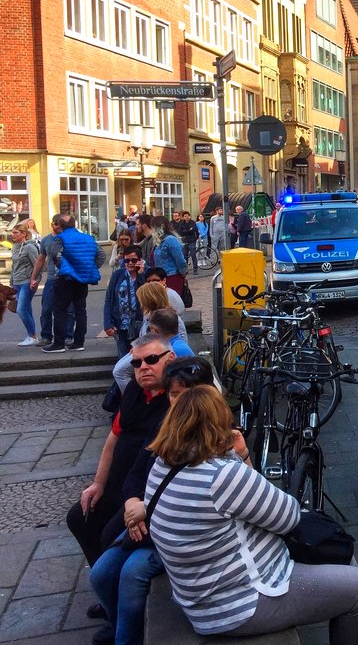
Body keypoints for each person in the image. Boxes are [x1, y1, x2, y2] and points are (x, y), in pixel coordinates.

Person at [146, 385, 358, 644]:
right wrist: (241, 455)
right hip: (240, 602)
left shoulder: (161, 466)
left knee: (333, 549)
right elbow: (288, 516)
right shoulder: (222, 475)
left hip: (199, 593)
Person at [89, 356, 214, 645]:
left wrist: (146, 511)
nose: (180, 403)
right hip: (145, 522)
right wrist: (132, 501)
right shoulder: (164, 426)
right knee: (101, 573)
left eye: (187, 395)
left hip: (176, 532)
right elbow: (136, 471)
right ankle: (118, 624)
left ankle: (125, 639)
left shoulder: (215, 431)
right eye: (174, 395)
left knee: (132, 575)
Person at [66, 336, 175, 566]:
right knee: (79, 518)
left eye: (151, 359)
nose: (143, 367)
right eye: (136, 363)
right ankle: (104, 581)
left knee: (110, 536)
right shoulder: (136, 389)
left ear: (170, 358)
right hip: (120, 483)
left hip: (146, 491)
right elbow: (114, 437)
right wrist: (98, 483)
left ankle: (110, 582)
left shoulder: (176, 398)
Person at [39, 215, 104, 354]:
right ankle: (79, 342)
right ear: (75, 224)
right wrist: (90, 267)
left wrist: (63, 267)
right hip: (83, 279)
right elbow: (101, 255)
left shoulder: (60, 238)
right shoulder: (88, 237)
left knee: (60, 310)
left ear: (60, 226)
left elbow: (54, 254)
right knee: (80, 310)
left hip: (66, 278)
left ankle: (59, 343)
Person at [28, 214, 75, 348]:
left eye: (60, 225)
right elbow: (41, 259)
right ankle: (46, 336)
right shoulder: (46, 240)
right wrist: (34, 278)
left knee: (69, 309)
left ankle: (68, 336)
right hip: (52, 278)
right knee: (46, 308)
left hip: (68, 278)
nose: (58, 227)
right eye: (56, 224)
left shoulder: (69, 238)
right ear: (52, 224)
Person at [103, 245, 146, 357]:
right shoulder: (118, 275)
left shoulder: (146, 274)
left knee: (140, 357)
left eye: (134, 260)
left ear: (140, 260)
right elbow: (109, 299)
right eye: (127, 260)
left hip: (140, 324)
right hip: (121, 325)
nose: (130, 263)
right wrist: (108, 323)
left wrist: (140, 275)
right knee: (123, 358)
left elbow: (147, 294)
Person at [9, 223, 40, 346]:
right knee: (26, 309)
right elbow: (14, 266)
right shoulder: (15, 247)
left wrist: (35, 280)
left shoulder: (30, 248)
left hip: (27, 282)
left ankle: (32, 336)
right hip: (17, 282)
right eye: (12, 232)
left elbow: (38, 265)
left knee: (21, 309)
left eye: (16, 233)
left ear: (24, 234)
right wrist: (12, 281)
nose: (13, 235)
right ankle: (32, 335)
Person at [146, 216, 187, 295]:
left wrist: (183, 273)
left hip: (171, 277)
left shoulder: (170, 240)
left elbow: (180, 259)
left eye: (153, 227)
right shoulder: (158, 241)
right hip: (160, 278)